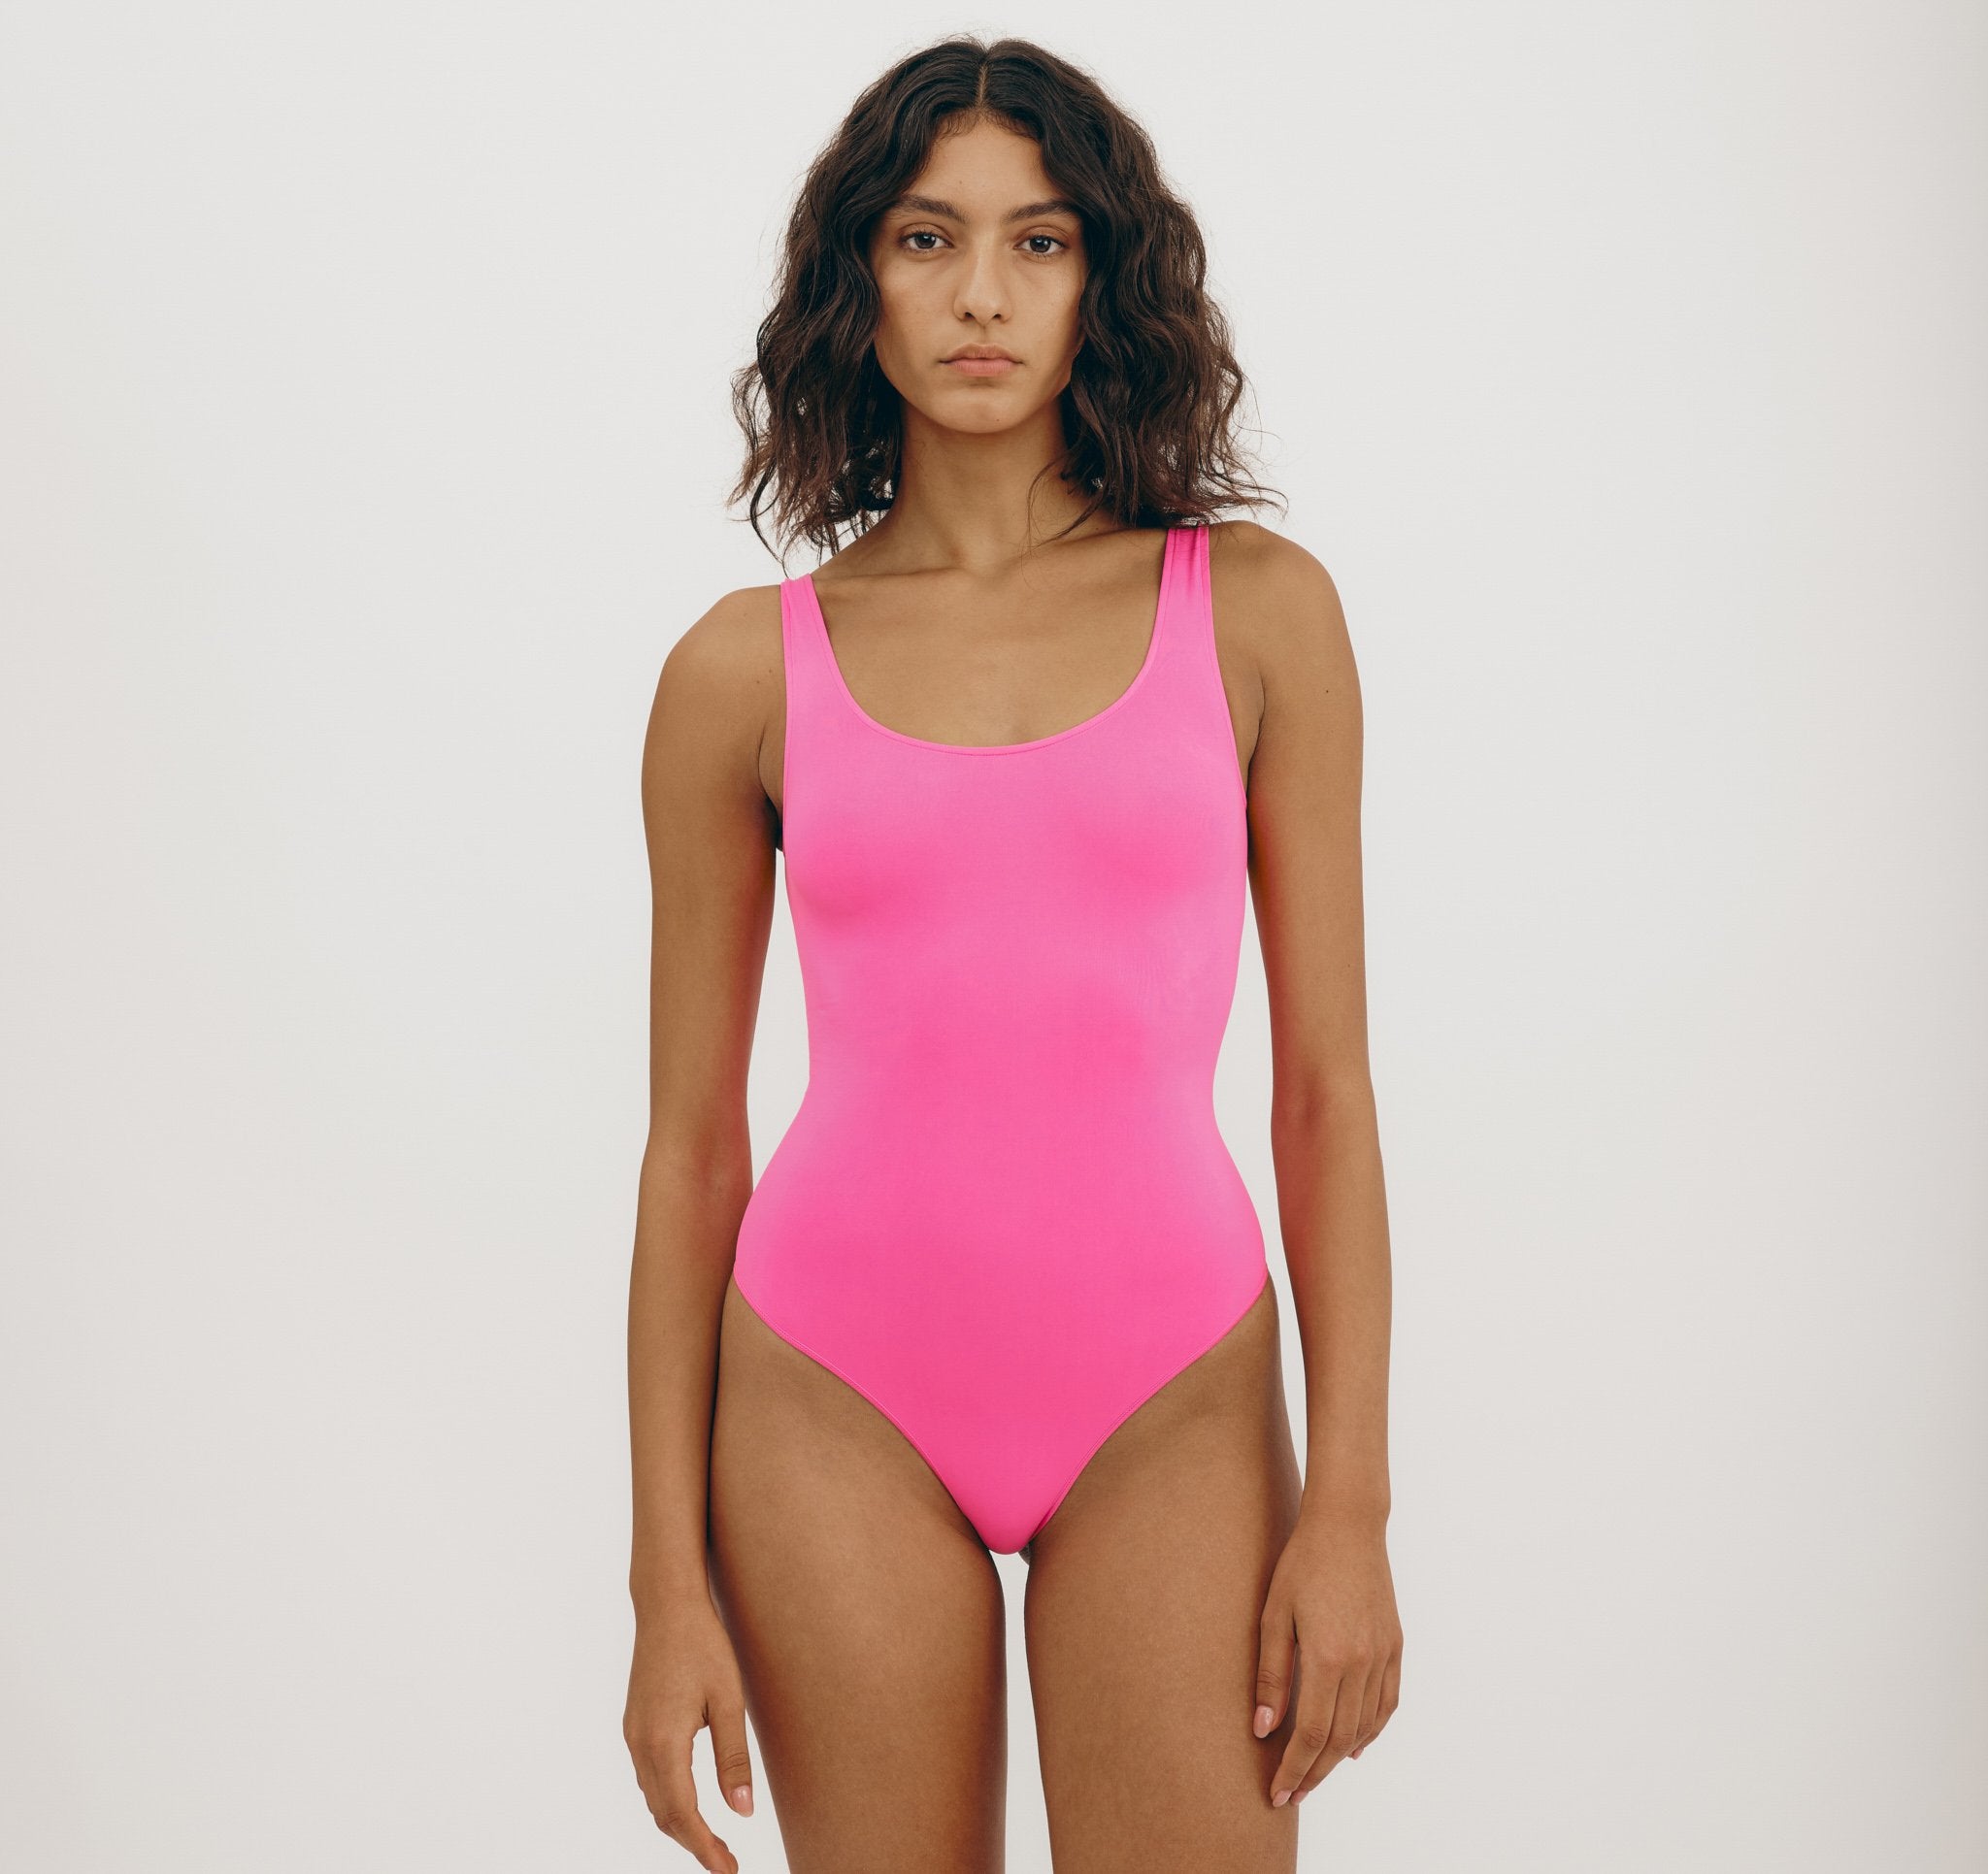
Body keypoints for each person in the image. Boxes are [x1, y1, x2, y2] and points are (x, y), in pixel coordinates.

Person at [622, 34, 1401, 1874]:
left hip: (1175, 1390)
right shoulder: (738, 669)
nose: (982, 294)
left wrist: (1354, 1508)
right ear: (857, 281)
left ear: (1102, 278)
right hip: (827, 1392)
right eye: (927, 237)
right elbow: (693, 1147)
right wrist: (664, 1588)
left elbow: (1324, 1095)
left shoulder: (1257, 614)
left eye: (1039, 240)